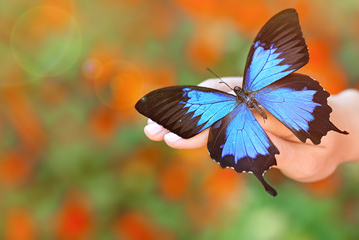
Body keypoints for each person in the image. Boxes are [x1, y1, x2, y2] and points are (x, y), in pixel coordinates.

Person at [142, 77, 359, 183]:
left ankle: (336, 128)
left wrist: (349, 118)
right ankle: (336, 128)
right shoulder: (250, 85)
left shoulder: (226, 99)